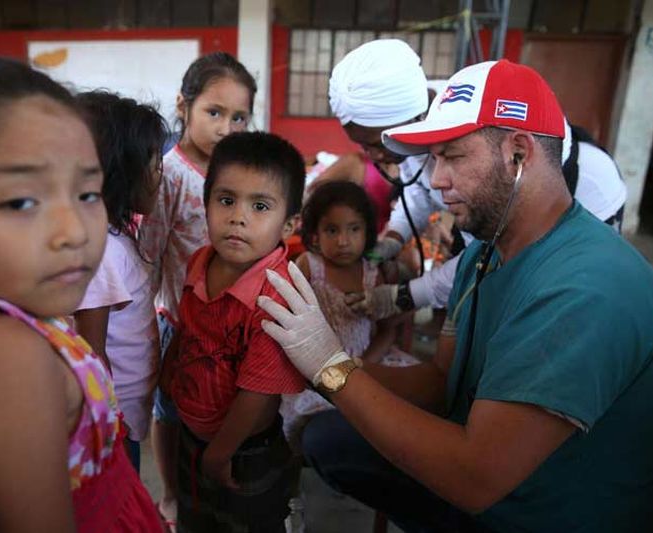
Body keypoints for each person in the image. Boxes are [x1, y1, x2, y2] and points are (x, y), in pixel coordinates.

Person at [257, 60, 653, 532]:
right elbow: (442, 380)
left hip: (544, 509)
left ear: (519, 154)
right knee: (330, 438)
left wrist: (331, 370)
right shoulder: (483, 255)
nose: (437, 179)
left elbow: (477, 478)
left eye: (453, 156)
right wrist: (334, 365)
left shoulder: (584, 287)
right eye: (434, 160)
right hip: (489, 475)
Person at [0, 58, 163, 532]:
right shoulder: (0, 355)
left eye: (87, 194)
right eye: (21, 201)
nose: (73, 231)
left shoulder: (10, 313)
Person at [329, 39, 628, 313]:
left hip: (588, 201)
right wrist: (394, 238)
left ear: (519, 154)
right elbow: (419, 187)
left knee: (551, 304)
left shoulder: (482, 142)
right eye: (364, 146)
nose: (375, 156)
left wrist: (403, 297)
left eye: (377, 142)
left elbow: (484, 257)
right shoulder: (415, 117)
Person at [161, 131, 306, 532]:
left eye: (260, 206)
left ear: (289, 223)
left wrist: (220, 453)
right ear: (205, 204)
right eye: (226, 200)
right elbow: (187, 327)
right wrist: (168, 373)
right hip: (193, 436)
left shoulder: (276, 295)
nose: (238, 217)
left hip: (244, 451)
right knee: (197, 521)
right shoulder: (200, 262)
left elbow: (258, 392)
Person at [140, 51, 257, 530]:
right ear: (183, 106)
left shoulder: (234, 171)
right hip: (178, 319)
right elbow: (150, 250)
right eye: (215, 112)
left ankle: (207, 486)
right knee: (170, 410)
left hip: (227, 316)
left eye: (240, 117)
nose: (227, 127)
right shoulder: (170, 174)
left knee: (215, 406)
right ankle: (170, 494)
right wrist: (147, 318)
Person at [73, 91, 169, 473]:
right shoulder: (103, 252)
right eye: (153, 162)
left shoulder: (118, 235)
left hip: (129, 410)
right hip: (113, 421)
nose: (160, 173)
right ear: (121, 171)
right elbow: (90, 352)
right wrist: (106, 420)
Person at [280, 180, 413, 450]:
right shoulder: (309, 266)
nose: (343, 241)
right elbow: (288, 320)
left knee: (395, 411)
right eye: (331, 230)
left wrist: (363, 367)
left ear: (368, 231)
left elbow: (387, 329)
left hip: (365, 363)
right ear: (315, 233)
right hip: (316, 371)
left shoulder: (372, 274)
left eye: (354, 229)